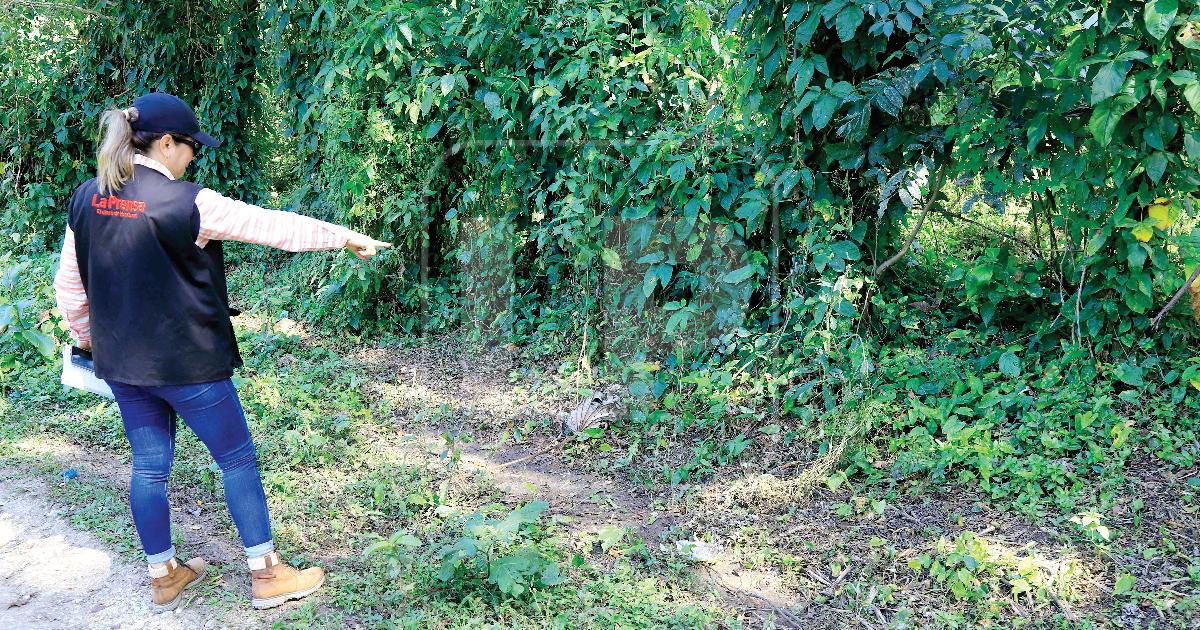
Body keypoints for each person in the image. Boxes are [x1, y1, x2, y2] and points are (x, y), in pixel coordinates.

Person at [52, 92, 391, 611]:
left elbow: (70, 287)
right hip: (190, 365)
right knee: (236, 459)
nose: (193, 158)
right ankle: (267, 574)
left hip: (122, 364)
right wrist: (342, 237)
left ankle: (164, 575)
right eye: (191, 147)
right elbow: (270, 225)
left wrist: (89, 340)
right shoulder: (188, 203)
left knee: (149, 467)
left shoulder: (87, 197)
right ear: (167, 143)